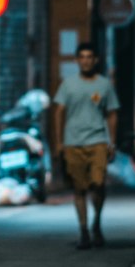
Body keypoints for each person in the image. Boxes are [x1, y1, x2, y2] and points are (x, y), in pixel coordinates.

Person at [52, 42, 119, 250]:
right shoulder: (68, 85)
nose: (86, 61)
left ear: (95, 60)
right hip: (73, 143)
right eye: (82, 57)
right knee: (79, 188)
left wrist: (112, 142)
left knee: (98, 184)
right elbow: (59, 112)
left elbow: (112, 114)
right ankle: (84, 231)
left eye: (90, 57)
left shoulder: (104, 84)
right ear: (77, 60)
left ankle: (96, 222)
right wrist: (59, 142)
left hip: (98, 140)